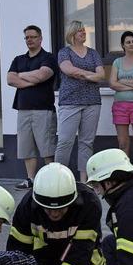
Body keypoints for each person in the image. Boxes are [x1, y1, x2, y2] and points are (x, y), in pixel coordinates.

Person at [6, 162, 108, 265]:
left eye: (61, 208)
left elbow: (81, 252)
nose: (54, 213)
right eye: (48, 209)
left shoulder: (88, 204)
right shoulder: (28, 206)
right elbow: (17, 251)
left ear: (73, 200)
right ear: (38, 202)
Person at [7, 25, 58, 190]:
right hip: (23, 109)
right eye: (27, 37)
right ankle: (31, 179)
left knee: (47, 147)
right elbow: (10, 79)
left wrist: (20, 75)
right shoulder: (18, 59)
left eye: (33, 37)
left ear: (40, 38)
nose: (30, 40)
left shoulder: (48, 58)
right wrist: (32, 80)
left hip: (43, 109)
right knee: (26, 147)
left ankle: (51, 178)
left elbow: (43, 75)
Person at [55, 20, 105, 182]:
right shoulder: (64, 52)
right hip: (70, 102)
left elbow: (101, 75)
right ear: (72, 34)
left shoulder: (93, 53)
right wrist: (91, 75)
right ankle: (59, 179)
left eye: (84, 30)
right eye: (80, 31)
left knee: (87, 142)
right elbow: (68, 70)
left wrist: (81, 74)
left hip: (92, 102)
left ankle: (84, 181)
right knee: (65, 141)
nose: (83, 33)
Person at [109, 31, 133, 172]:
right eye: (128, 42)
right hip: (119, 106)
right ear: (123, 45)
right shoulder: (117, 62)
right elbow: (112, 84)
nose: (132, 44)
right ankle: (126, 173)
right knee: (123, 143)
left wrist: (124, 81)